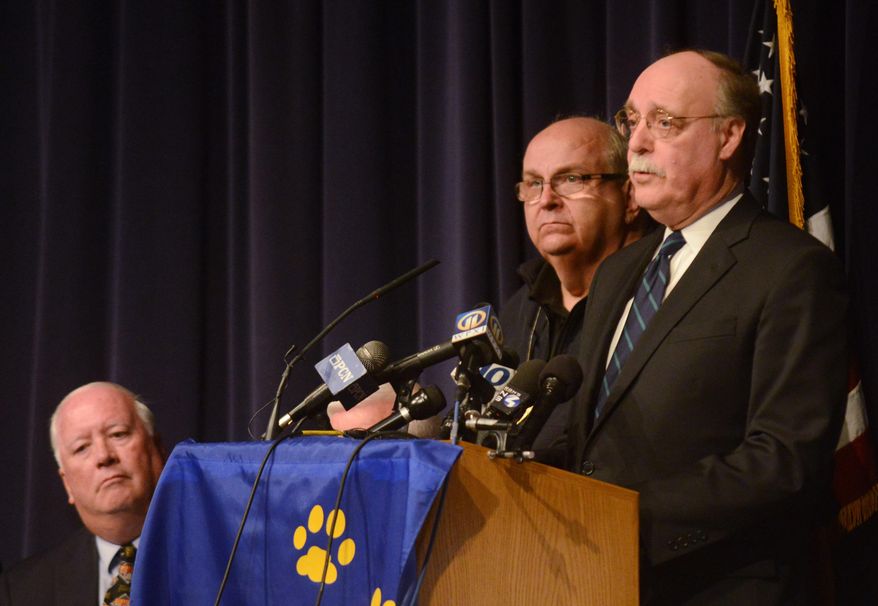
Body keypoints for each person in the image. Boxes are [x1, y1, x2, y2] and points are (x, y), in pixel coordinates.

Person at [566, 50, 848, 604]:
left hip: (716, 584)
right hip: (597, 579)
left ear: (729, 137)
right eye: (631, 120)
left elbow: (785, 460)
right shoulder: (622, 270)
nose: (638, 143)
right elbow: (582, 420)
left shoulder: (790, 268)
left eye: (664, 123)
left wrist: (622, 515)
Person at [501, 116, 650, 453]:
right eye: (534, 183)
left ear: (630, 197)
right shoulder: (521, 309)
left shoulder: (658, 296)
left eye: (571, 179)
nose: (547, 199)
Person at [0, 382, 165, 606]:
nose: (103, 456)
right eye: (82, 448)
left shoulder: (222, 556)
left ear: (157, 451)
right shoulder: (20, 591)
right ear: (67, 484)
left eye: (118, 434)